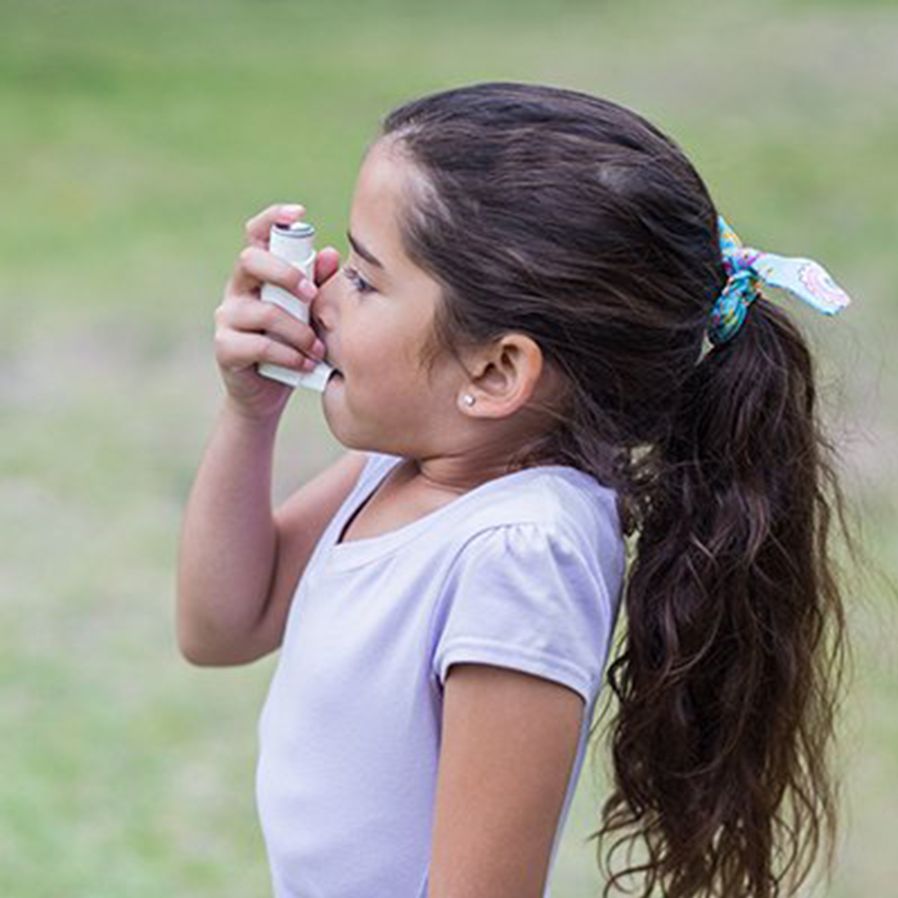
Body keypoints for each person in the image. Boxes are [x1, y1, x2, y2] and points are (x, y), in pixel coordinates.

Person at [176, 82, 858, 898]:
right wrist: (250, 413)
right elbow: (222, 627)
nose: (318, 295)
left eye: (362, 277)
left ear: (496, 371)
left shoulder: (520, 551)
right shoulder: (414, 466)